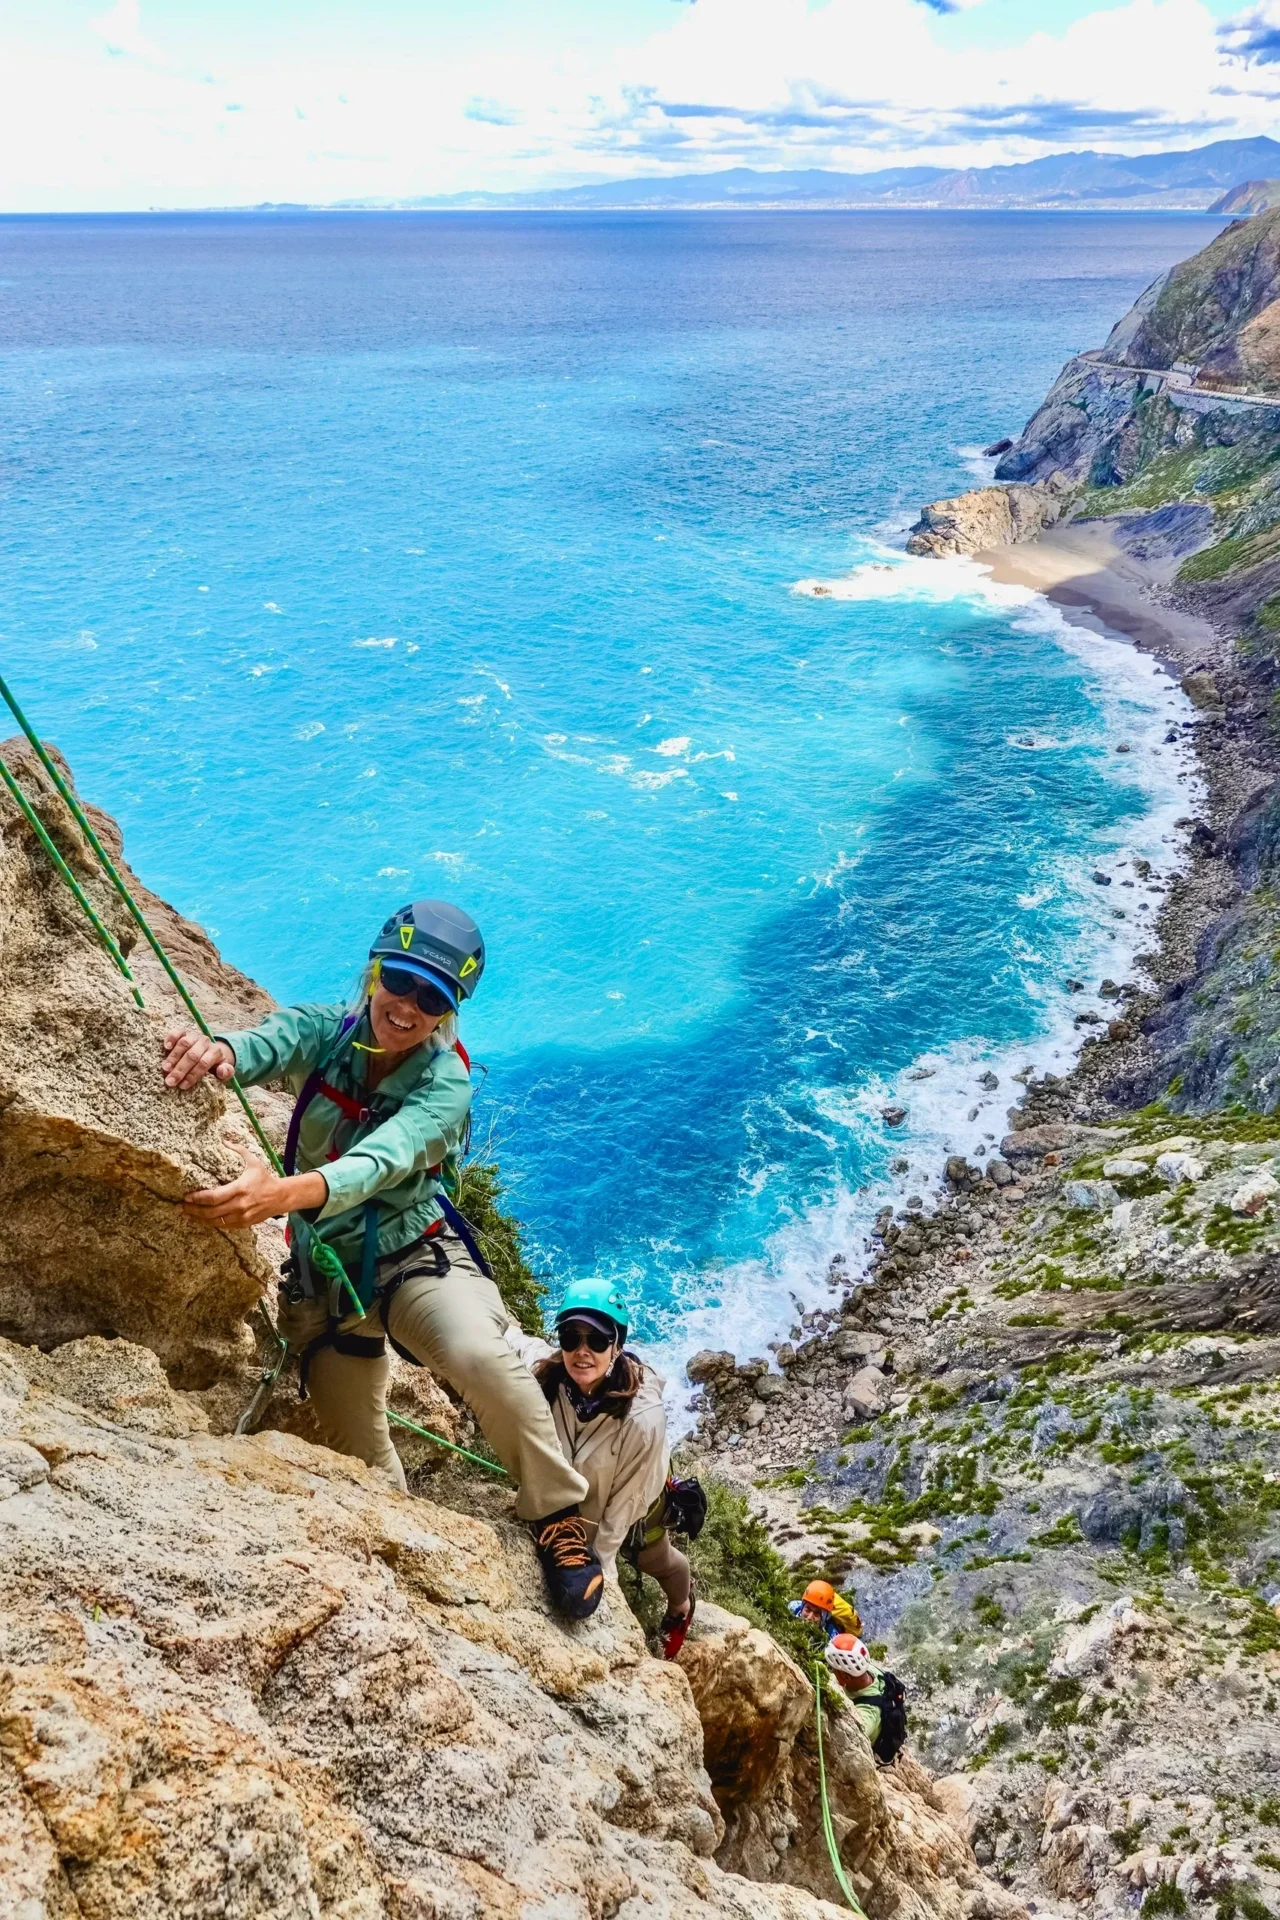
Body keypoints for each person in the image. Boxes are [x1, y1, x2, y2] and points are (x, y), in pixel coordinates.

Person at [161, 897, 605, 1621]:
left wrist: (284, 1196)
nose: (408, 1005)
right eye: (400, 980)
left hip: (414, 1258)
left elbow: (383, 1159)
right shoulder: (328, 1033)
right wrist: (222, 1053)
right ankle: (399, 1544)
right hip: (328, 1275)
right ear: (375, 975)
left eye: (432, 997)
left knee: (481, 1358)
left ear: (448, 1012)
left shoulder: (445, 1084)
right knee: (358, 1450)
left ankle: (556, 1516)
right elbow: (270, 1043)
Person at [513, 1278, 698, 1659]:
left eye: (597, 1341)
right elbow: (515, 1343)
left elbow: (621, 1514)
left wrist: (601, 1573)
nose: (582, 1351)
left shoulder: (642, 1418)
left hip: (636, 1510)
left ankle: (682, 1606)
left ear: (617, 1346)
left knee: (655, 1560)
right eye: (570, 1337)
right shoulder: (552, 1377)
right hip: (582, 1499)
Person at [825, 1634, 908, 1764]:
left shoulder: (867, 1714)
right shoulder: (866, 1670)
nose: (830, 1671)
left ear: (846, 1677)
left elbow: (850, 1739)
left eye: (833, 1669)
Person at [789, 1577, 862, 1641]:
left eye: (817, 1613)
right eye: (807, 1610)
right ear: (802, 1607)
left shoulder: (831, 1636)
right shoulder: (792, 1608)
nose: (810, 1617)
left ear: (824, 1618)